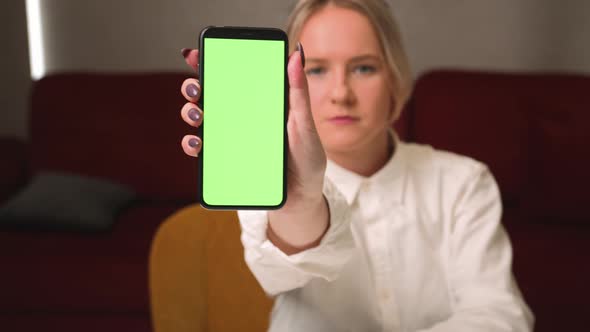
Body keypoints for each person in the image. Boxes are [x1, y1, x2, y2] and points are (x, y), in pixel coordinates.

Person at [179, 0, 534, 331]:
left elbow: (499, 315)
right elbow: (277, 274)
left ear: (395, 77)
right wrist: (301, 198)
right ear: (286, 86)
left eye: (363, 68)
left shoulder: (463, 181)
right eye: (316, 69)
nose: (341, 93)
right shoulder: (270, 177)